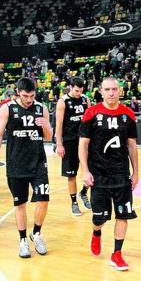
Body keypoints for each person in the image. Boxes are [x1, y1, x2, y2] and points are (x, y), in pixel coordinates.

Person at [79, 77, 139, 271]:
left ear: (120, 91)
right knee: (100, 219)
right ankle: (96, 233)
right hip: (98, 176)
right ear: (101, 91)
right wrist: (85, 171)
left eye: (114, 89)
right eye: (107, 89)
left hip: (121, 175)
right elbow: (83, 145)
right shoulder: (91, 113)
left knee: (123, 215)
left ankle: (117, 253)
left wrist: (136, 172)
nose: (111, 93)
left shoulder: (128, 114)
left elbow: (131, 145)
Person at [0, 78, 53, 258]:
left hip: (38, 162)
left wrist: (46, 126)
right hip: (16, 163)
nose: (28, 100)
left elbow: (48, 137)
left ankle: (37, 233)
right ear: (18, 92)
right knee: (20, 204)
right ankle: (23, 240)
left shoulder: (42, 108)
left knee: (43, 199)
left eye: (32, 96)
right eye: (25, 96)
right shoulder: (7, 109)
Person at [55, 77, 91, 216]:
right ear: (70, 87)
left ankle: (84, 192)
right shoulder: (63, 102)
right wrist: (59, 144)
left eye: (81, 90)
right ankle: (74, 202)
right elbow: (58, 124)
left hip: (85, 140)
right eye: (76, 90)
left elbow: (89, 120)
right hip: (70, 141)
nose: (79, 93)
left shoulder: (85, 99)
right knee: (72, 175)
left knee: (90, 169)